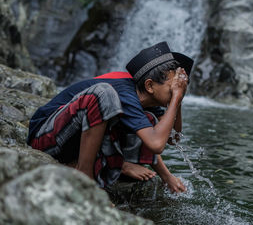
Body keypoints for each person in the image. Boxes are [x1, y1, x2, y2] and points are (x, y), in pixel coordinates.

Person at [27, 41, 193, 193]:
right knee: (103, 93)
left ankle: (110, 164)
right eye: (172, 89)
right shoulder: (124, 91)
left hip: (72, 144)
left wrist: (167, 177)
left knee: (149, 120)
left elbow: (172, 138)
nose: (176, 93)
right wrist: (176, 97)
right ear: (149, 85)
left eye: (179, 90)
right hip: (45, 138)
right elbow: (156, 144)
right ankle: (86, 179)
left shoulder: (145, 98)